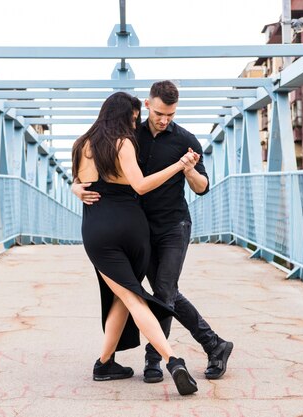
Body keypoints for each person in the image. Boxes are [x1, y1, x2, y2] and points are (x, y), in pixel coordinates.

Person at [73, 81, 233, 383]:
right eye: (159, 113)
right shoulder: (131, 135)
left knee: (162, 291)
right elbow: (104, 171)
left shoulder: (185, 140)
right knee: (144, 293)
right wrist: (75, 187)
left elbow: (203, 188)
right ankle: (212, 346)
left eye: (170, 115)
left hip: (173, 225)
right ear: (147, 106)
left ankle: (155, 360)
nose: (164, 119)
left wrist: (188, 169)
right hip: (140, 228)